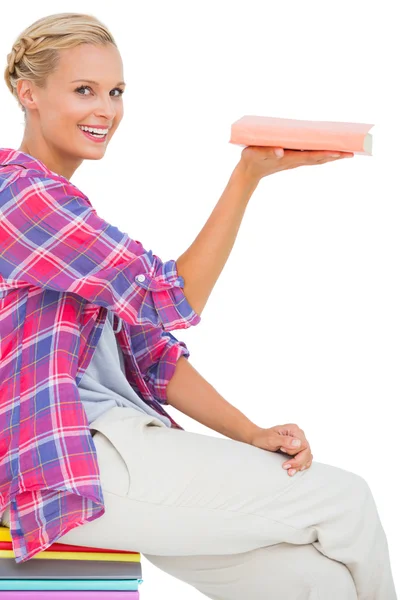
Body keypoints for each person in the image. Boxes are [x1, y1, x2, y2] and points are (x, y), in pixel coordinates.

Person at [0, 12, 396, 600]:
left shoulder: (67, 211)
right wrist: (247, 176)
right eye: (83, 90)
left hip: (121, 451)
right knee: (346, 500)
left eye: (115, 92)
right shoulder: (20, 193)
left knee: (316, 584)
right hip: (75, 456)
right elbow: (173, 296)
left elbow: (154, 354)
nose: (104, 109)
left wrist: (251, 433)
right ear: (27, 92)